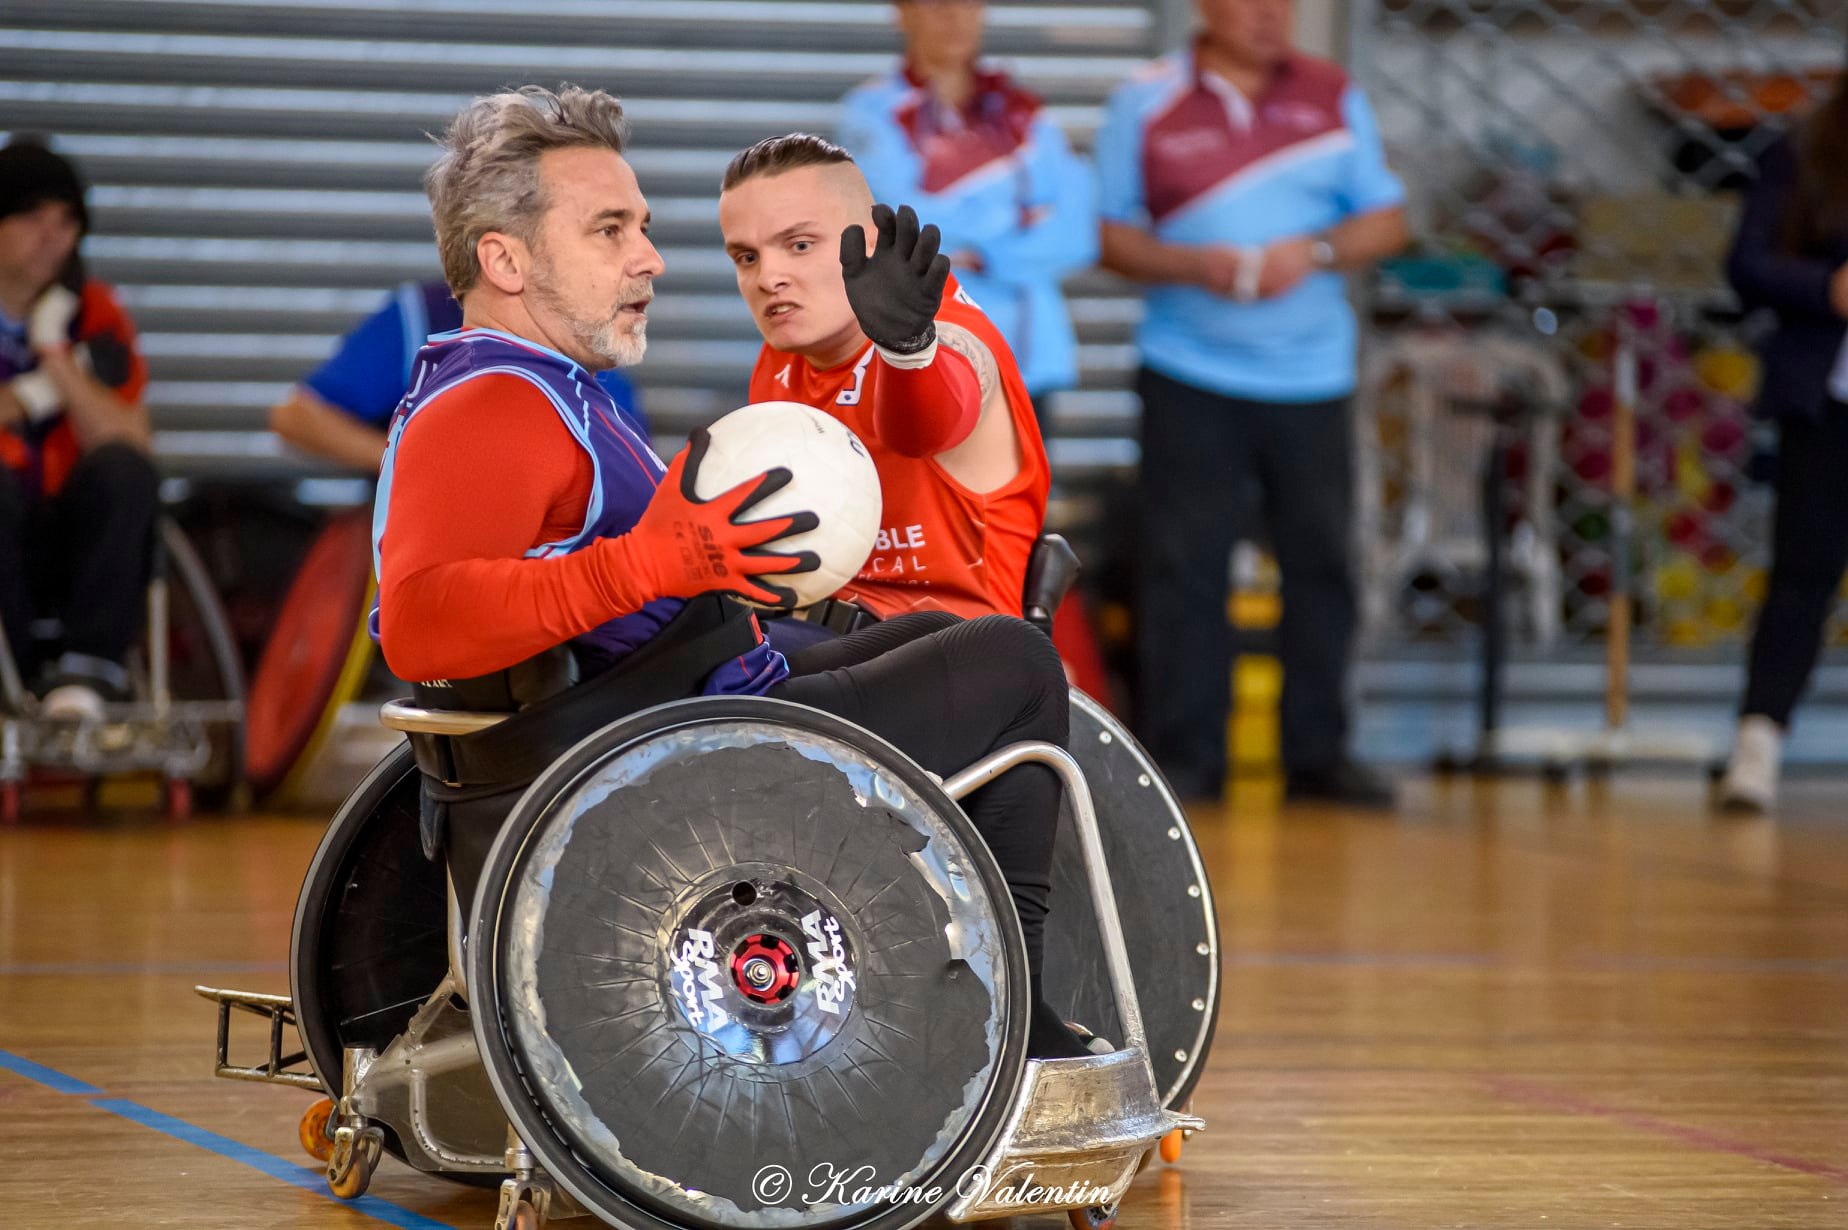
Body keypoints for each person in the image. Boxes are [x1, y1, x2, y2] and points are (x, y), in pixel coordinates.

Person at [373, 85, 1090, 1058]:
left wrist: (907, 349)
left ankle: (941, 982)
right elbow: (421, 626)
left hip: (674, 718)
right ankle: (1017, 1026)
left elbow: (930, 412)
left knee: (931, 637)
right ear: (506, 260)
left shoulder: (545, 390)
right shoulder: (494, 408)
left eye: (643, 229)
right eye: (610, 230)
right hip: (679, 761)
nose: (650, 258)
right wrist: (654, 561)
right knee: (1019, 663)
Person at [1095, 0, 1408, 807]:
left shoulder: (1331, 93)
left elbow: (1387, 220)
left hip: (1313, 377)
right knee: (1184, 567)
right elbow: (1109, 237)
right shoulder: (1145, 100)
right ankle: (1187, 760)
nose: (1271, 13)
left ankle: (1319, 756)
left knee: (1322, 562)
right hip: (1187, 371)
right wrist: (1196, 265)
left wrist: (1319, 250)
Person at [719, 134, 1050, 625]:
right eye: (747, 257)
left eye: (800, 245)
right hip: (820, 639)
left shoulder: (944, 333)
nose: (769, 277)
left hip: (952, 646)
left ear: (870, 243)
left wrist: (908, 351)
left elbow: (927, 426)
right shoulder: (780, 361)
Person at [835, 0, 1095, 422]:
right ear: (901, 12)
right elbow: (899, 225)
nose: (955, 17)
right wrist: (1020, 219)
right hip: (926, 358)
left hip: (1026, 360)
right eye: (937, 5)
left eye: (969, 3)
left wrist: (981, 253)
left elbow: (1076, 235)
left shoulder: (1024, 111)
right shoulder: (869, 111)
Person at [1717, 69, 1848, 813]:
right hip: (1827, 400)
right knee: (1803, 570)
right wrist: (1828, 289)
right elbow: (1748, 264)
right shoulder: (1806, 151)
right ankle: (1759, 741)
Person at [0, 138, 159, 722]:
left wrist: (55, 353)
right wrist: (32, 396)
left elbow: (130, 439)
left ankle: (89, 672)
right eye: (32, 217)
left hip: (70, 539)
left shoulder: (94, 313)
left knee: (126, 472)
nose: (53, 236)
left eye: (66, 222)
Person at [270, 278, 643, 473]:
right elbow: (297, 416)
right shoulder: (423, 316)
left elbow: (625, 460)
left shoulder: (587, 329)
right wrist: (409, 465)